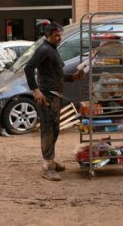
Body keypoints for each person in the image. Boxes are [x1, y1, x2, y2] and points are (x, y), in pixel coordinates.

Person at [24, 22, 83, 181]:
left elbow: (54, 73)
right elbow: (28, 68)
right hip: (46, 96)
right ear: (47, 36)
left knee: (55, 129)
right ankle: (48, 166)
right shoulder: (43, 50)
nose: (59, 38)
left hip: (54, 95)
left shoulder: (51, 50)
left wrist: (72, 77)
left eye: (60, 35)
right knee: (48, 130)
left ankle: (50, 160)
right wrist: (35, 90)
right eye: (56, 35)